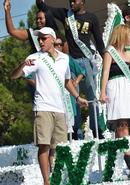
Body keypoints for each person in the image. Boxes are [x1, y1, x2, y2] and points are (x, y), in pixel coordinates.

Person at [11, 27, 88, 185]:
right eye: (39, 38)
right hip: (43, 107)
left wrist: (77, 97)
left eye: (44, 38)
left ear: (53, 39)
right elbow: (14, 76)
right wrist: (22, 64)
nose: (40, 41)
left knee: (57, 147)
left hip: (60, 109)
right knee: (44, 146)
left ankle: (54, 179)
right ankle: (47, 182)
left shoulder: (64, 59)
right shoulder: (35, 57)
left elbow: (67, 81)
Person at [31, 0, 105, 138]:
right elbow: (45, 8)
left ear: (82, 2)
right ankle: (75, 130)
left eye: (74, 1)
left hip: (87, 60)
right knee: (72, 97)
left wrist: (105, 60)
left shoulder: (91, 18)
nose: (71, 4)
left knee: (92, 95)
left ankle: (97, 130)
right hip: (70, 62)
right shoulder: (66, 15)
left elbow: (99, 41)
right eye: (70, 1)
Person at [100, 24, 130, 179]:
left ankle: (122, 165)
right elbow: (105, 72)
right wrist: (102, 92)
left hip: (128, 90)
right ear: (122, 35)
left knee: (124, 130)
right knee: (122, 128)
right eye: (129, 35)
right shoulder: (109, 52)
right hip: (115, 89)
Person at [54, 36, 86, 140]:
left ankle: (78, 143)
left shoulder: (66, 58)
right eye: (56, 44)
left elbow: (81, 72)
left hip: (70, 96)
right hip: (56, 97)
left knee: (75, 121)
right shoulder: (47, 59)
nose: (58, 46)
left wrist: (76, 81)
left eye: (60, 45)